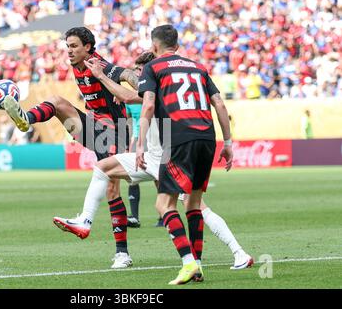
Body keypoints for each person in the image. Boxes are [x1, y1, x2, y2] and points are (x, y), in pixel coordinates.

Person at [54, 52, 253, 272]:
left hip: (166, 158)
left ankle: (238, 252)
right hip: (153, 157)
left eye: (141, 72)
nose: (139, 77)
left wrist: (101, 77)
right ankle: (85, 221)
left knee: (196, 207)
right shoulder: (167, 87)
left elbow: (130, 97)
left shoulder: (157, 89)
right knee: (103, 168)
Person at [2, 27, 140, 260]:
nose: (70, 51)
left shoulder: (98, 64)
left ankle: (121, 253)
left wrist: (143, 87)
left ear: (88, 47)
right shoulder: (77, 67)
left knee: (112, 189)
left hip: (115, 133)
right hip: (95, 129)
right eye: (68, 47)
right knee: (56, 102)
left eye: (74, 46)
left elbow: (126, 74)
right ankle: (26, 120)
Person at [136, 25, 233, 285]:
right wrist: (229, 142)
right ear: (177, 45)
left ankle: (188, 262)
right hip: (207, 139)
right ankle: (198, 265)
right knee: (192, 203)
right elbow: (220, 104)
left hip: (178, 139)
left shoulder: (153, 67)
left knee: (163, 205)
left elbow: (147, 105)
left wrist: (140, 145)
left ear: (154, 46)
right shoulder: (198, 67)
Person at [125, 100, 142, 228]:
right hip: (136, 139)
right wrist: (129, 143)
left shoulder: (152, 92)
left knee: (159, 178)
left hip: (155, 138)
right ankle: (134, 217)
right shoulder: (129, 101)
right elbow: (129, 122)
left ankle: (164, 215)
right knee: (132, 177)